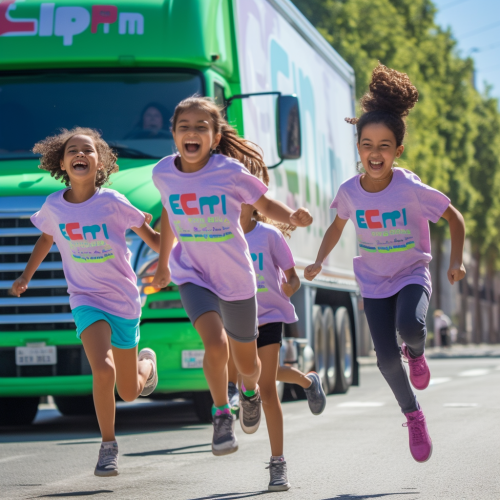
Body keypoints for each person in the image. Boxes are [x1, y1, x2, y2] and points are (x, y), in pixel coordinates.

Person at [304, 64, 466, 464]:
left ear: (398, 151)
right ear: (358, 147)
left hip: (412, 273)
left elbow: (455, 218)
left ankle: (418, 351)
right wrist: (318, 261)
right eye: (367, 145)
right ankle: (413, 415)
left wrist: (456, 263)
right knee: (384, 359)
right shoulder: (349, 191)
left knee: (411, 327)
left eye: (384, 146)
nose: (374, 154)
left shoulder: (410, 187)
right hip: (375, 282)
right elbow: (336, 227)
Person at [150, 96, 313, 457]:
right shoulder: (162, 172)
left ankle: (250, 393)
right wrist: (163, 264)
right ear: (174, 134)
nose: (192, 133)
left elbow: (265, 205)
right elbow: (167, 212)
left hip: (236, 277)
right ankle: (222, 413)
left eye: (201, 127)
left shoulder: (229, 172)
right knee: (214, 344)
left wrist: (292, 217)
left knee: (248, 366)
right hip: (193, 273)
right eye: (184, 127)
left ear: (215, 134)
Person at [10, 127, 161, 477]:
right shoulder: (53, 206)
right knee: (102, 369)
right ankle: (108, 446)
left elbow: (151, 237)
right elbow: (46, 240)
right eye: (72, 150)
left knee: (128, 390)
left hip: (123, 300)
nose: (80, 154)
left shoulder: (113, 202)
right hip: (85, 298)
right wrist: (25, 276)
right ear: (61, 163)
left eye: (88, 150)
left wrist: (176, 262)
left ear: (100, 162)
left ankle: (146, 367)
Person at [227, 201, 326, 491]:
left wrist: (289, 287)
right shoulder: (221, 238)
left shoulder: (270, 236)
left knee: (267, 386)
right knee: (255, 373)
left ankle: (278, 463)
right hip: (236, 316)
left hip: (268, 316)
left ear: (253, 203)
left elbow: (293, 277)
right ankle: (306, 382)